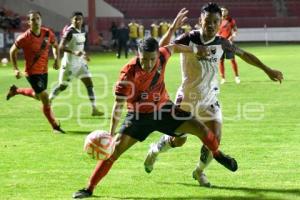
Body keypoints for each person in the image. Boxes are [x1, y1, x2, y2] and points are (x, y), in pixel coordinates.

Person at [72, 33, 239, 199]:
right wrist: (111, 133)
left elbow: (174, 47)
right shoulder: (127, 73)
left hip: (165, 110)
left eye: (152, 59)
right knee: (114, 151)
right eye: (144, 59)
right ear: (138, 54)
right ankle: (89, 188)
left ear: (157, 55)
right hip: (138, 117)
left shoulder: (162, 56)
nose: (149, 63)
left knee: (200, 129)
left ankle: (217, 154)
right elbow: (118, 105)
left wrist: (196, 49)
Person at [144, 3, 283, 187]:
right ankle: (155, 149)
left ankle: (199, 172)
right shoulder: (189, 38)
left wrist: (267, 70)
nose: (211, 25)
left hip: (210, 99)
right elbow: (160, 51)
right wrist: (171, 29)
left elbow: (244, 55)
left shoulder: (222, 43)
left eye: (215, 22)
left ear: (220, 23)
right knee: (179, 140)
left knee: (214, 140)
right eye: (207, 21)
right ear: (200, 20)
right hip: (187, 98)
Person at [6, 10, 65, 133]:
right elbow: (12, 51)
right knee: (45, 97)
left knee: (38, 96)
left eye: (38, 18)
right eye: (33, 19)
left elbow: (55, 46)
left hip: (44, 71)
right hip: (32, 72)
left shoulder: (48, 33)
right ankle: (55, 126)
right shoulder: (24, 38)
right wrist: (16, 69)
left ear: (41, 20)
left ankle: (16, 90)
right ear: (28, 22)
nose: (36, 21)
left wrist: (57, 59)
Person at [49, 11, 103, 116]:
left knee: (89, 83)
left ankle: (94, 108)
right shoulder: (70, 32)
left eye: (80, 19)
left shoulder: (81, 31)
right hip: (69, 64)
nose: (78, 21)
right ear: (71, 20)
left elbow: (79, 47)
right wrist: (74, 52)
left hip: (80, 63)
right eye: (75, 19)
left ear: (82, 20)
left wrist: (83, 55)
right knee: (62, 86)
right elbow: (61, 47)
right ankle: (49, 100)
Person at [218, 7, 239, 84]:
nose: (223, 11)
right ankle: (223, 78)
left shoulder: (230, 20)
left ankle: (237, 77)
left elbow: (235, 30)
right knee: (221, 61)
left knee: (232, 60)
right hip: (220, 43)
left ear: (227, 12)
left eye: (224, 10)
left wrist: (232, 36)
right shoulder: (218, 21)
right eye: (222, 10)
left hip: (229, 43)